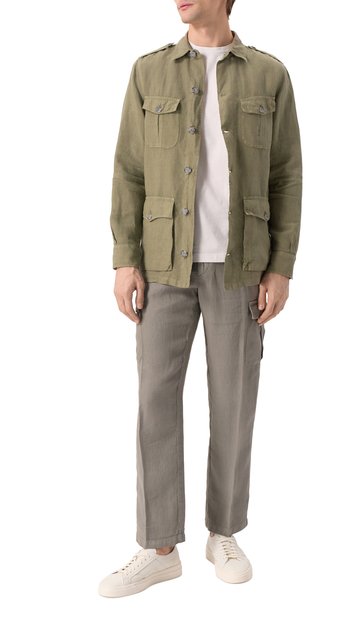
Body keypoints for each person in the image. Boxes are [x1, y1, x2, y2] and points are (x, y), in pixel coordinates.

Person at [98, 0, 302, 597]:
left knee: (234, 401)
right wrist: (125, 258)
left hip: (241, 265)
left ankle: (224, 532)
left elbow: (286, 175)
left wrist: (280, 266)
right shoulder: (149, 71)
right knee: (155, 402)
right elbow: (128, 170)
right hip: (164, 262)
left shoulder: (269, 74)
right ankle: (159, 547)